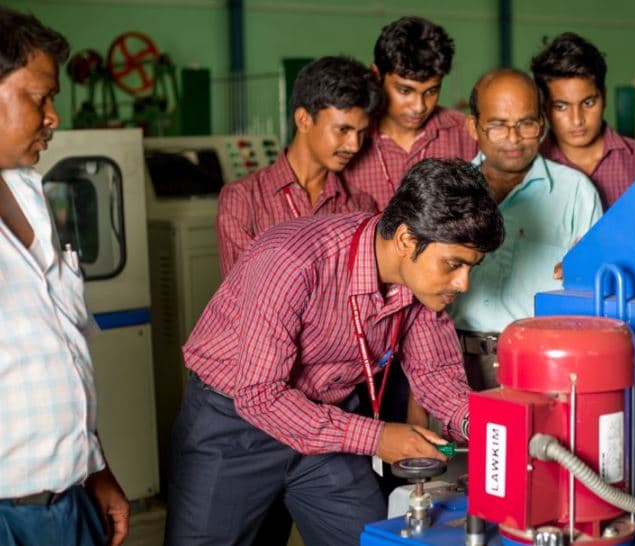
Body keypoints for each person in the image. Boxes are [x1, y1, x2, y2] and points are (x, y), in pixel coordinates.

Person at [164, 158, 505, 546]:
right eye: (453, 264)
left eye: (470, 268)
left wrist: (491, 432)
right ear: (407, 240)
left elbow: (437, 379)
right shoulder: (292, 260)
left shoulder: (425, 286)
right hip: (232, 425)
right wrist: (377, 438)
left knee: (375, 539)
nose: (462, 283)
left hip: (328, 423)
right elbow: (259, 395)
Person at [0, 7, 130, 546]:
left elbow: (61, 352)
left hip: (69, 500)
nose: (53, 116)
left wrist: (95, 468)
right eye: (39, 97)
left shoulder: (30, 196)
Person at [448, 69, 602, 390]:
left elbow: (596, 298)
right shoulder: (450, 189)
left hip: (541, 367)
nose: (514, 138)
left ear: (542, 126)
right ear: (473, 126)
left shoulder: (575, 192)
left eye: (526, 124)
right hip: (451, 366)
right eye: (498, 126)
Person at [217, 55, 380, 277]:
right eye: (343, 130)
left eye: (361, 132)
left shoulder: (360, 207)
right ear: (303, 119)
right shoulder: (243, 200)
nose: (354, 145)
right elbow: (244, 296)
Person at [343, 16, 476, 209]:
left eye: (431, 91)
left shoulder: (465, 135)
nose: (419, 107)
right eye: (405, 91)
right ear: (376, 75)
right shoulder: (350, 141)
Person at [531, 32, 635, 208]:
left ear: (604, 96)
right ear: (544, 107)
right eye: (561, 106)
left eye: (588, 102)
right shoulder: (530, 168)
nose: (577, 120)